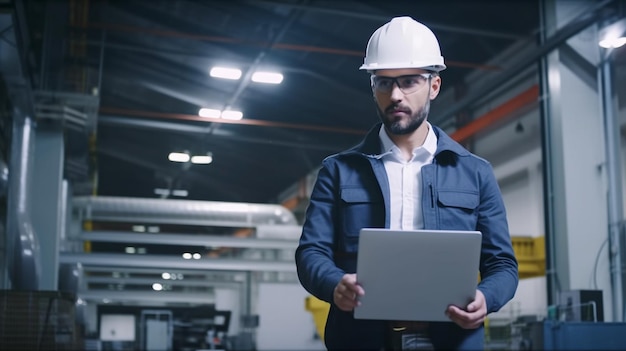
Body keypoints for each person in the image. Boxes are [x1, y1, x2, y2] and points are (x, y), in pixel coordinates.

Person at [295, 16, 519, 351]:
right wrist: (334, 284)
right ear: (373, 87)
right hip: (362, 340)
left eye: (409, 81)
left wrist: (487, 298)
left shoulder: (475, 172)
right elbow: (311, 252)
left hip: (451, 340)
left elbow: (502, 265)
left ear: (434, 85)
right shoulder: (339, 171)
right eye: (383, 83)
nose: (395, 95)